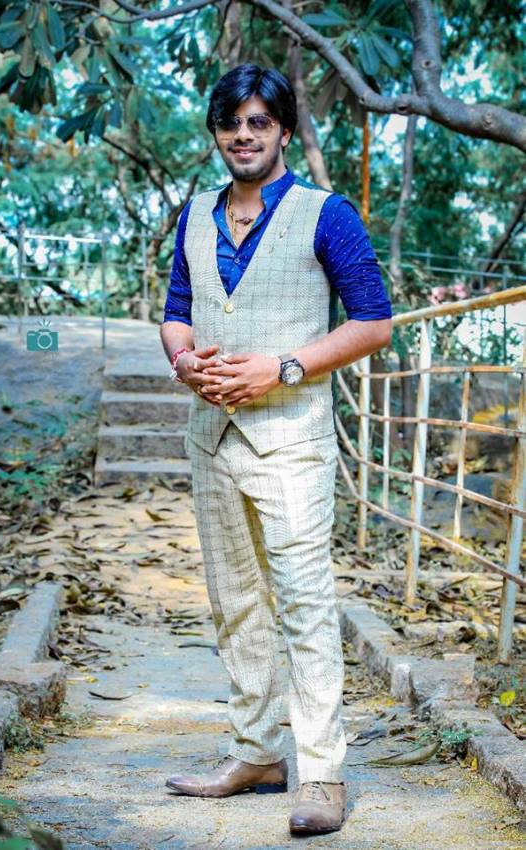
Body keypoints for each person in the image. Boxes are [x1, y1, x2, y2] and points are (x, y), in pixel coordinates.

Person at [160, 62, 392, 836]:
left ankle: (321, 775)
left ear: (283, 131)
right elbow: (177, 309)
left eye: (258, 122)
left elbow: (373, 322)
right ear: (216, 133)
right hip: (211, 437)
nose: (243, 135)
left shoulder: (326, 214)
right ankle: (256, 753)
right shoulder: (196, 215)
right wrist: (182, 359)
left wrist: (282, 367)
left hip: (290, 438)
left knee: (303, 604)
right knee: (234, 603)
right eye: (230, 123)